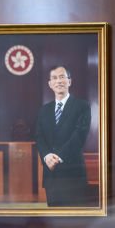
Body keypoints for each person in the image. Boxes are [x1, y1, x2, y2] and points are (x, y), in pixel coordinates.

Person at [35, 65, 91, 207]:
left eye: (62, 77)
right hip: (51, 174)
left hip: (73, 173)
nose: (58, 81)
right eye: (54, 78)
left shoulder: (82, 106)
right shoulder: (44, 110)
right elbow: (39, 136)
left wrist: (58, 157)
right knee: (54, 220)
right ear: (50, 84)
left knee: (75, 222)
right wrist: (47, 156)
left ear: (69, 81)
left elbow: (79, 135)